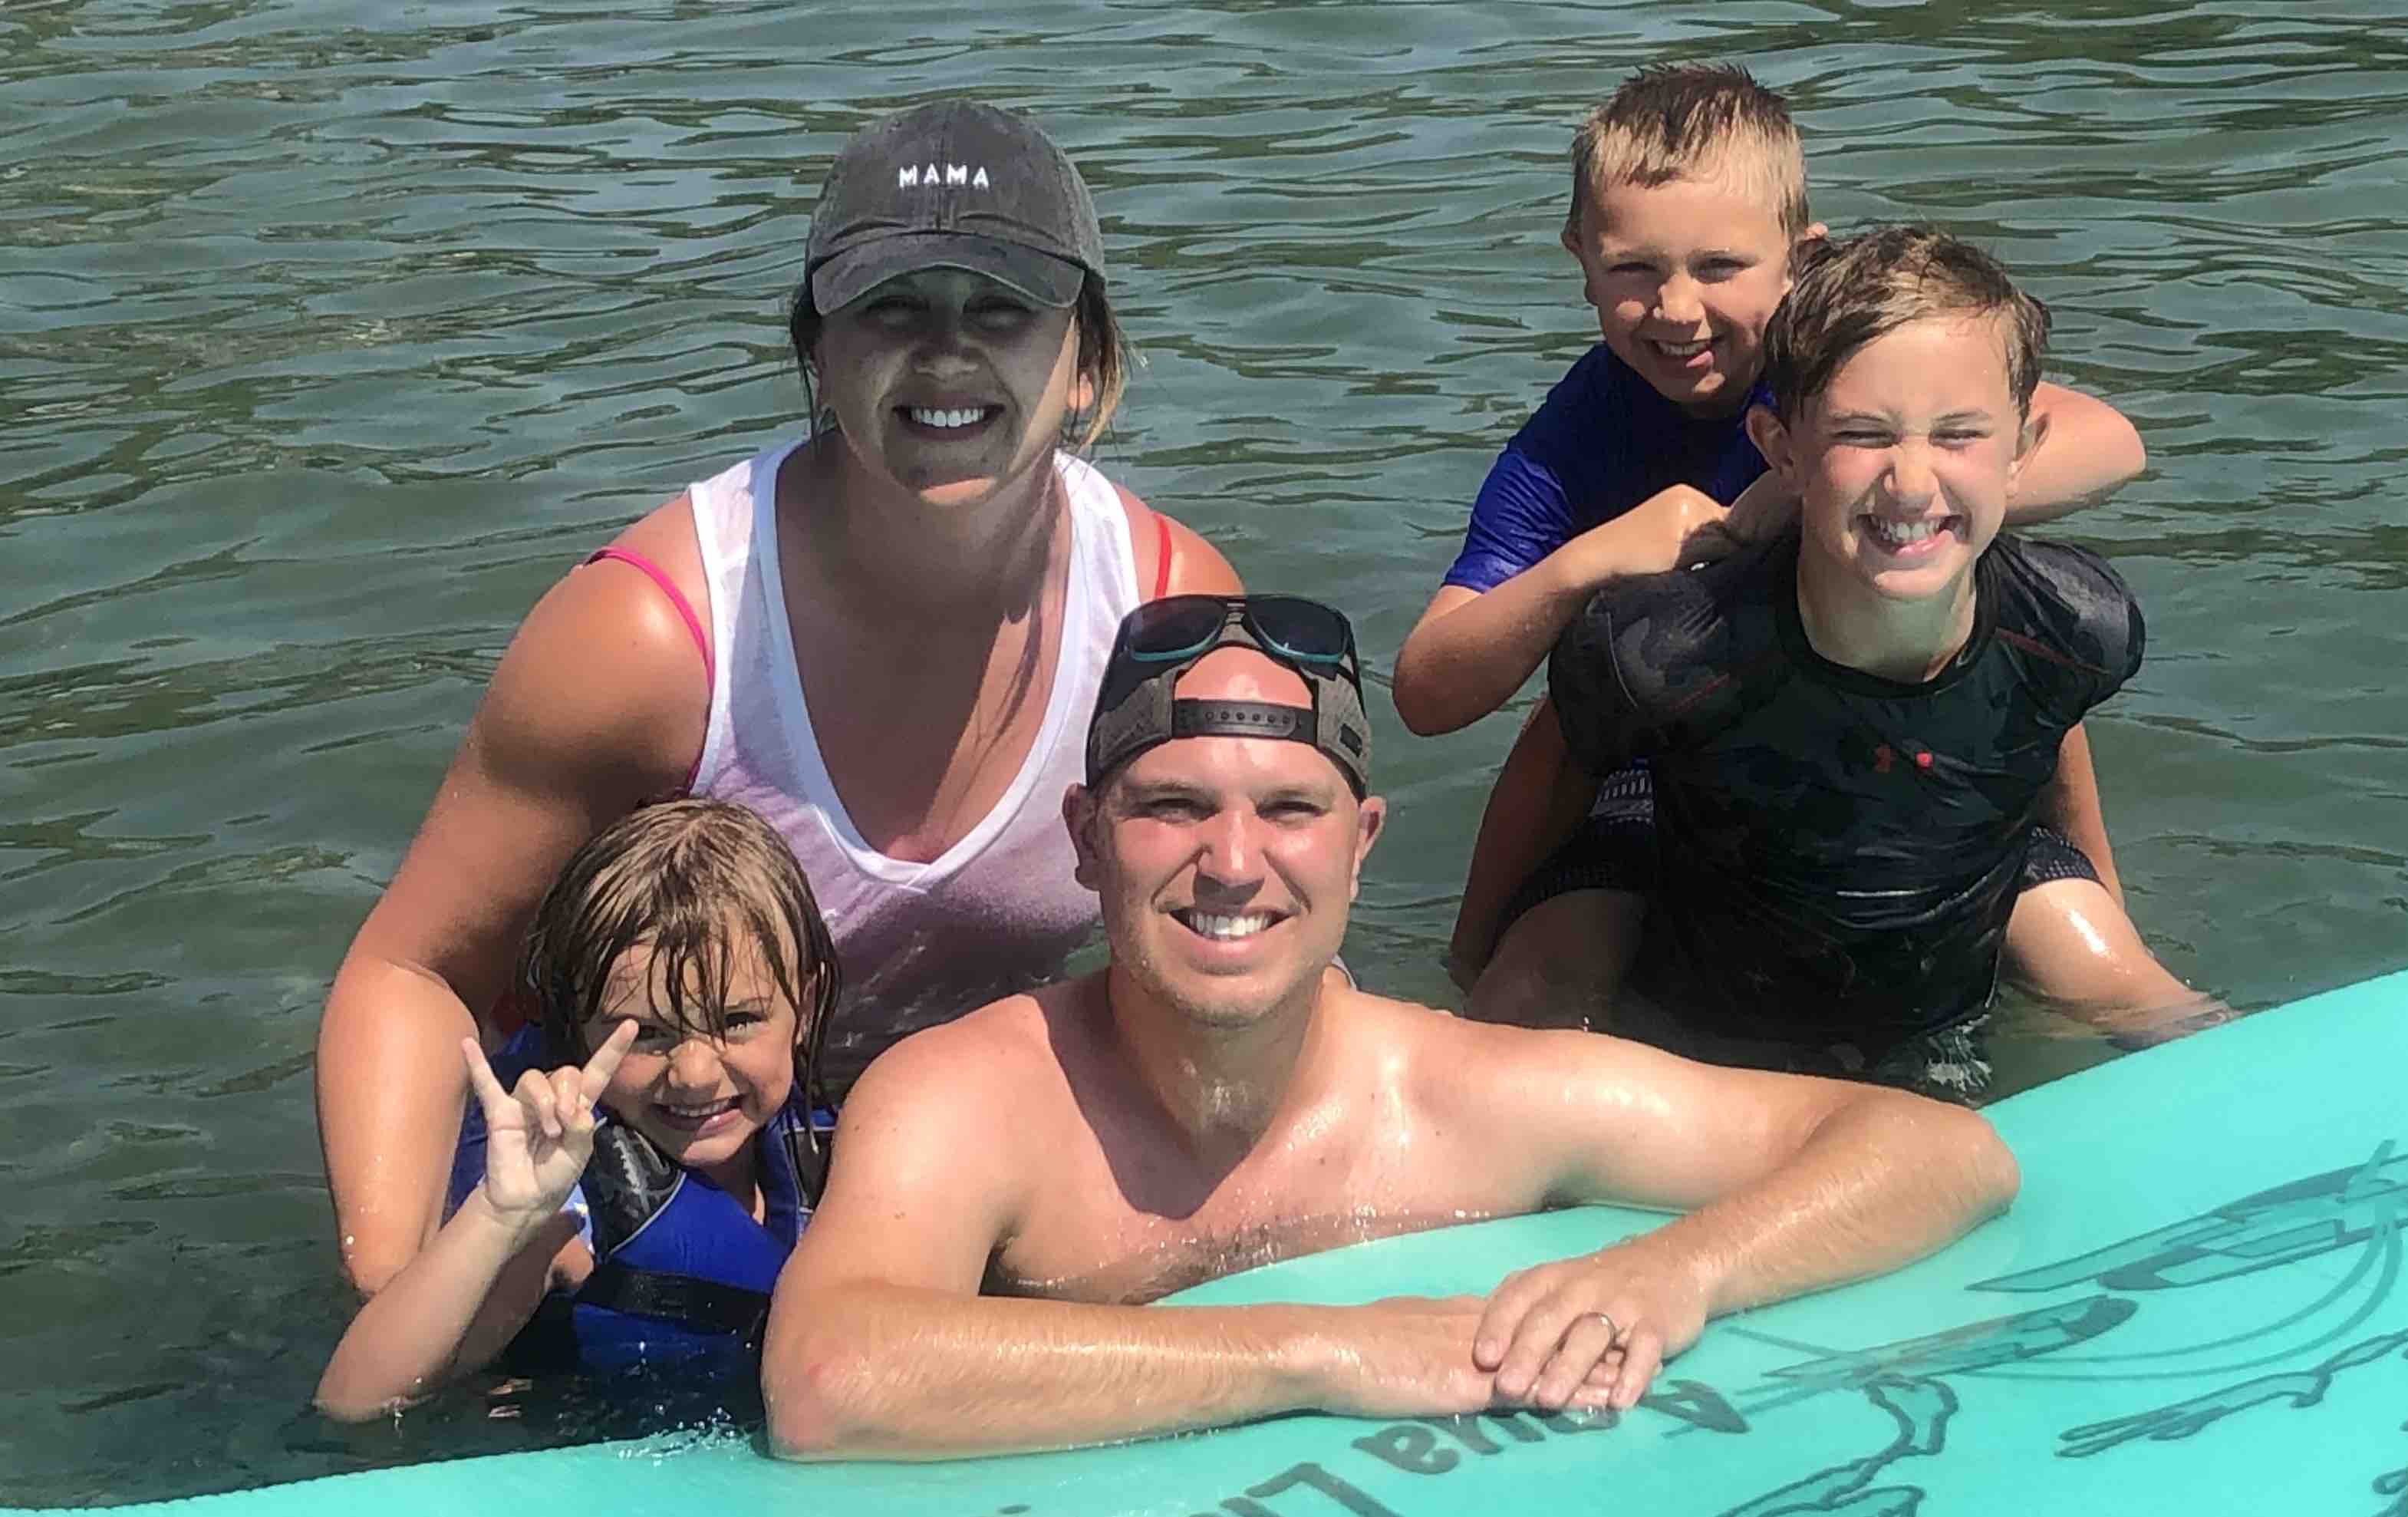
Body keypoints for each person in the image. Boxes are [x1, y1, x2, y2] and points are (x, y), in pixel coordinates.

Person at [316, 101, 1240, 1301]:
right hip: (660, 1169)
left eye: (1002, 309)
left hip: (950, 1151)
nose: (945, 354)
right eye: (891, 308)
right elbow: (412, 972)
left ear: (1089, 362)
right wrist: (402, 1299)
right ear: (817, 352)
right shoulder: (650, 638)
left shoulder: (1166, 617)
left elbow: (1258, 941)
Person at [760, 595, 2018, 1460]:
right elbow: (827, 1379)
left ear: (1359, 845)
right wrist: (1323, 1350)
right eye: (1174, 807)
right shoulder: (970, 1095)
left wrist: (1678, 1271)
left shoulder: (1468, 1095)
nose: (1232, 862)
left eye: (1289, 809)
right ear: (1088, 838)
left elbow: (1936, 1150)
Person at [1389, 63, 2174, 1034]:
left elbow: (2107, 446)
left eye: (1719, 266)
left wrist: (1803, 497)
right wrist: (1582, 565)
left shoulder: (1866, 351)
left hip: (1942, 749)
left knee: (2107, 963)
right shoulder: (1567, 452)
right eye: (1634, 270)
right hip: (1679, 777)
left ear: (1801, 257)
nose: (1678, 310)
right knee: (1544, 944)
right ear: (1579, 259)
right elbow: (1433, 694)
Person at [1533, 226, 2222, 1104]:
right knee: (1531, 996)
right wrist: (1476, 950)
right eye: (1863, 433)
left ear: (2021, 451)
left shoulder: (2075, 621)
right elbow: (1561, 748)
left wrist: (2103, 903)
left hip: (1968, 868)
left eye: (1958, 435)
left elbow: (2045, 716)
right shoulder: (1669, 652)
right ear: (1780, 450)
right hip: (1681, 889)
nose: (1910, 483)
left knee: (2136, 991)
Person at [315, 800, 839, 1420]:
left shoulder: (843, 1150)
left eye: (738, 1019)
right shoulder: (572, 1211)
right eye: (645, 1033)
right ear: (579, 1031)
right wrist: (501, 1214)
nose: (694, 1072)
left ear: (805, 1007)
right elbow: (355, 1400)